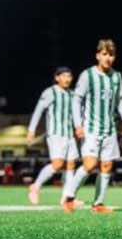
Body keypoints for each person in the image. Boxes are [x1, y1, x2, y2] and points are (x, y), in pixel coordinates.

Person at [61, 39, 122, 213]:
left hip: (109, 129)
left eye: (111, 54)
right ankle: (69, 197)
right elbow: (77, 99)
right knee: (89, 164)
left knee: (106, 166)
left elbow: (118, 101)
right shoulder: (88, 75)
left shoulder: (117, 77)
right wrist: (77, 125)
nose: (108, 58)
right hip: (91, 129)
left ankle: (98, 204)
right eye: (104, 54)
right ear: (97, 56)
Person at [26, 66, 83, 207]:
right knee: (57, 164)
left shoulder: (72, 94)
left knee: (70, 165)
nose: (67, 79)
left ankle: (66, 198)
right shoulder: (50, 92)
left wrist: (78, 127)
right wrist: (31, 129)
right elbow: (38, 110)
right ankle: (35, 186)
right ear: (57, 78)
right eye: (64, 76)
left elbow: (77, 113)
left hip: (69, 135)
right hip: (55, 134)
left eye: (69, 76)